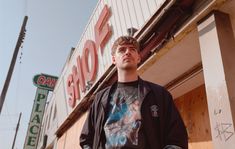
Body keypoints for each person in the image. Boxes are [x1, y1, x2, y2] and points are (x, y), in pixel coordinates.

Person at [80, 36, 188, 149]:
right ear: (113, 59)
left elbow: (177, 137)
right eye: (122, 50)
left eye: (132, 49)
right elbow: (86, 139)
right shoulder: (100, 99)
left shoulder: (159, 94)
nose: (127, 52)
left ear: (138, 58)